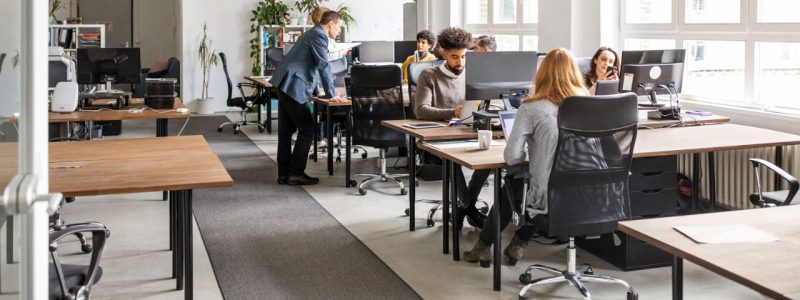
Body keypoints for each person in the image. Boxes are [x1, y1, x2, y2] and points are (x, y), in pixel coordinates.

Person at [463, 48, 590, 267]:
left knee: (514, 184)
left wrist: (533, 152)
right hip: (589, 195)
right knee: (537, 184)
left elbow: (512, 157)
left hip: (547, 198)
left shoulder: (532, 107)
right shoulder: (591, 106)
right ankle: (518, 244)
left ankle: (483, 248)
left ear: (541, 74)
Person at [414, 27, 489, 229]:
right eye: (455, 57)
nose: (460, 62)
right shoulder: (428, 76)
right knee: (452, 161)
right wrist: (452, 112)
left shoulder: (471, 74)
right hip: (438, 137)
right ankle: (470, 209)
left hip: (468, 131)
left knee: (491, 160)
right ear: (444, 54)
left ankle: (463, 208)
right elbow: (421, 110)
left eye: (463, 57)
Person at [269, 11, 346, 186]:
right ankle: (295, 173)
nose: (339, 31)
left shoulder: (313, 33)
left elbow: (309, 65)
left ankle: (284, 175)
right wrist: (332, 94)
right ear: (331, 24)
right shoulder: (320, 36)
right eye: (339, 26)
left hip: (285, 83)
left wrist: (317, 91)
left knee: (286, 132)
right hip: (293, 84)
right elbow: (323, 65)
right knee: (308, 129)